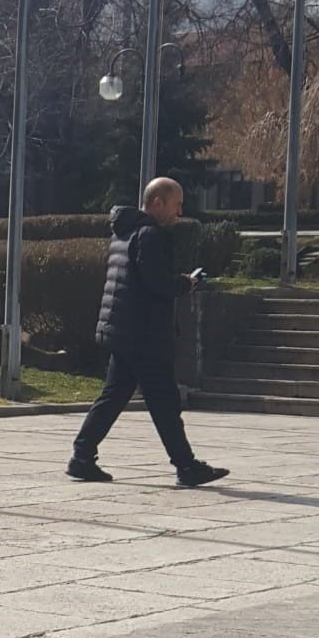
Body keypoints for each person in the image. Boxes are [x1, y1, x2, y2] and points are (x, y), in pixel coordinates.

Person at [68, 178, 229, 488]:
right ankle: (186, 466)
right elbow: (157, 284)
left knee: (114, 397)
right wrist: (186, 283)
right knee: (165, 402)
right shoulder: (150, 235)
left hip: (125, 330)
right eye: (176, 204)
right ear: (158, 202)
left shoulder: (123, 233)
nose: (180, 212)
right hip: (144, 334)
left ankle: (82, 455)